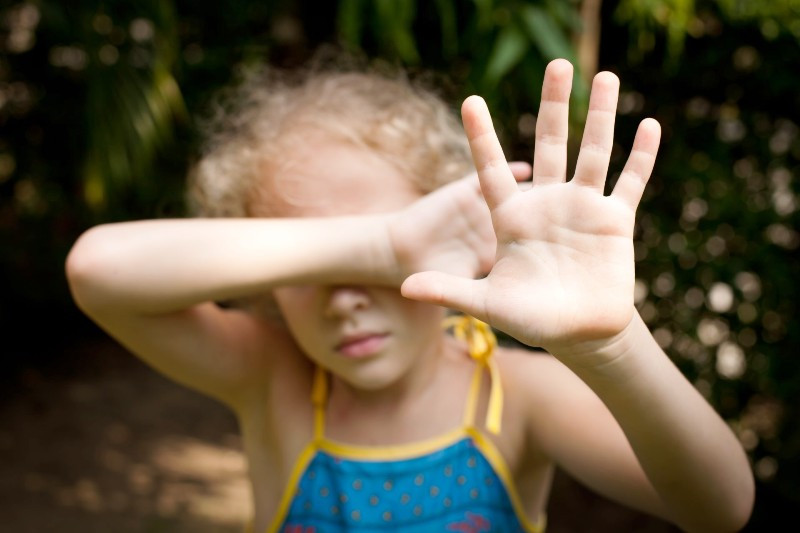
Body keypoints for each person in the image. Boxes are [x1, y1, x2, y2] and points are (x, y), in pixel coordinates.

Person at [65, 57, 754, 532]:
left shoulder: (518, 395)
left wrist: (613, 343)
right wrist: (384, 245)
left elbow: (719, 506)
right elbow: (99, 269)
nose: (346, 300)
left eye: (383, 261)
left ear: (456, 232)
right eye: (317, 260)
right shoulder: (271, 376)